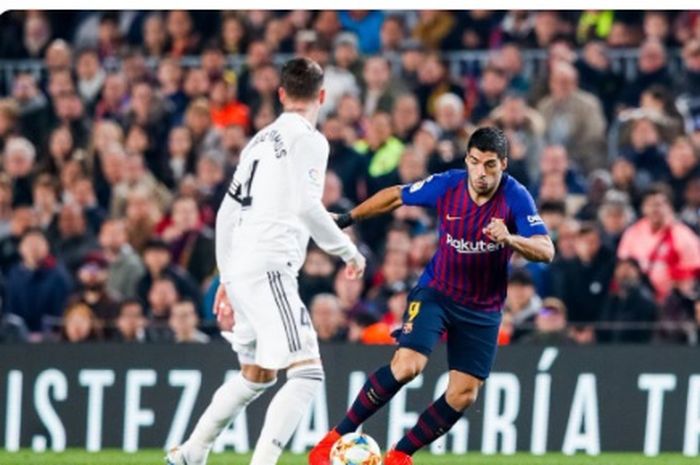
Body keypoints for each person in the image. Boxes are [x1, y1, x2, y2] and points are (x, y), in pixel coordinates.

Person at [310, 127, 554, 465]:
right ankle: (331, 441)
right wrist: (347, 218)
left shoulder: (516, 197)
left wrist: (511, 239)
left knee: (464, 394)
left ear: (504, 165)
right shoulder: (449, 184)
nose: (480, 173)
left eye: (490, 165)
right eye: (474, 162)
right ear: (467, 160)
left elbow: (546, 249)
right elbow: (396, 195)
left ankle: (400, 456)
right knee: (408, 366)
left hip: (482, 310)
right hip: (437, 293)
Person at [167, 57, 366, 465]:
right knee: (308, 374)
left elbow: (226, 213)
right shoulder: (310, 139)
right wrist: (348, 250)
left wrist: (225, 277)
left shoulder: (258, 141)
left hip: (241, 267)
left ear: (280, 94)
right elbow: (308, 207)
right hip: (270, 267)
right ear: (322, 97)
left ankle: (191, 452)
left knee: (257, 376)